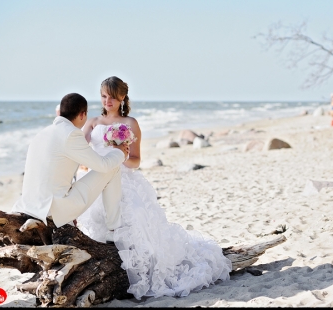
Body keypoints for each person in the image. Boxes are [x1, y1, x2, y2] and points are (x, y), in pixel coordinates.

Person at [76, 76, 231, 300]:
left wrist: (120, 154)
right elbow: (81, 151)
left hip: (121, 177)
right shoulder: (93, 123)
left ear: (121, 97)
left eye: (112, 96)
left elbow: (136, 161)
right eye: (103, 96)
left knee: (133, 218)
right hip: (96, 177)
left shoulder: (130, 124)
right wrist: (83, 162)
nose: (107, 100)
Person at [11, 93, 130, 231]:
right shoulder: (71, 133)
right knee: (112, 167)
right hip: (52, 210)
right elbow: (103, 165)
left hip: (29, 205)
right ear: (82, 115)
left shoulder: (42, 133)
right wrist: (120, 152)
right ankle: (114, 230)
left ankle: (111, 228)